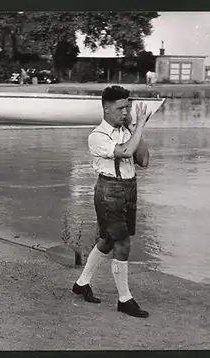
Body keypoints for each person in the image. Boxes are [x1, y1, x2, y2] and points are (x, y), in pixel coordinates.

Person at [72, 85, 152, 318]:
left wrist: (137, 128)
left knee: (107, 241)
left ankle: (81, 283)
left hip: (129, 189)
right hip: (109, 191)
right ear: (106, 108)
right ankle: (124, 299)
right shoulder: (97, 136)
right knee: (122, 244)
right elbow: (126, 152)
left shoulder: (126, 130)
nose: (125, 112)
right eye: (120, 108)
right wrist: (138, 128)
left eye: (127, 107)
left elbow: (143, 160)